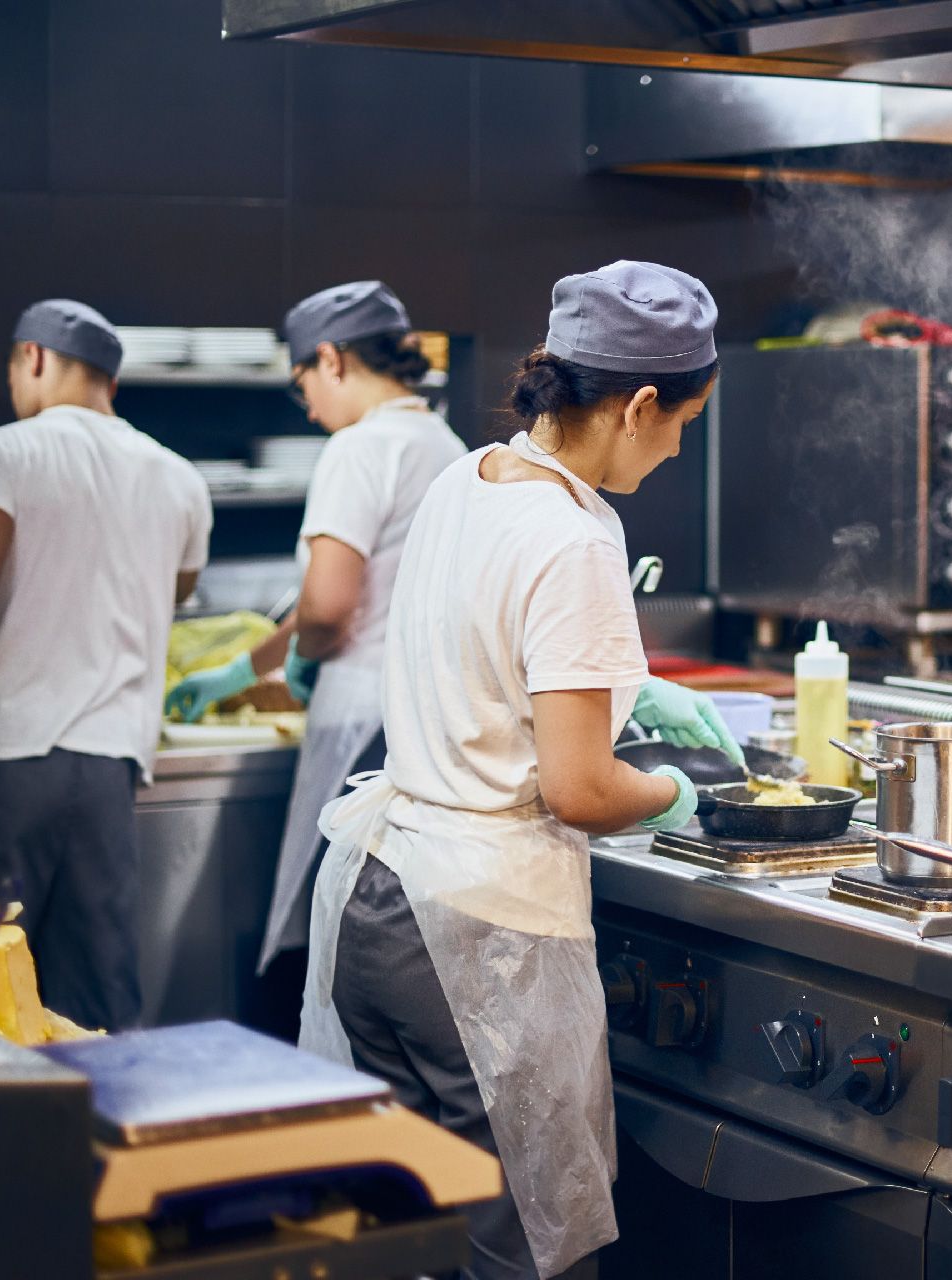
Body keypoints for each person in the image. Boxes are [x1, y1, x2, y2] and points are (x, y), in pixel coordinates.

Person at [301, 261, 735, 1279]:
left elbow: (488, 661)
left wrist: (633, 694)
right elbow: (581, 788)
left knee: (410, 1243)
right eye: (684, 420)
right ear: (636, 403)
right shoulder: (575, 537)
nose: (679, 445)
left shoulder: (472, 475)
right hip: (476, 940)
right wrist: (683, 793)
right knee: (521, 1255)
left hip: (379, 897)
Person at [0, 299, 212, 1030]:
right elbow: (174, 591)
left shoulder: (2, 450)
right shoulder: (180, 477)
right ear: (109, 382)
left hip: (4, 758)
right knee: (93, 1006)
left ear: (32, 358)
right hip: (109, 765)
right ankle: (102, 1139)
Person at [165, 282, 466, 1004]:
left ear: (330, 359)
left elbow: (330, 606)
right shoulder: (448, 445)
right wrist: (251, 664)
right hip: (429, 718)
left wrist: (305, 656)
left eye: (303, 379)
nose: (305, 404)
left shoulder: (358, 450)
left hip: (361, 720)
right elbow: (364, 593)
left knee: (332, 926)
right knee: (397, 928)